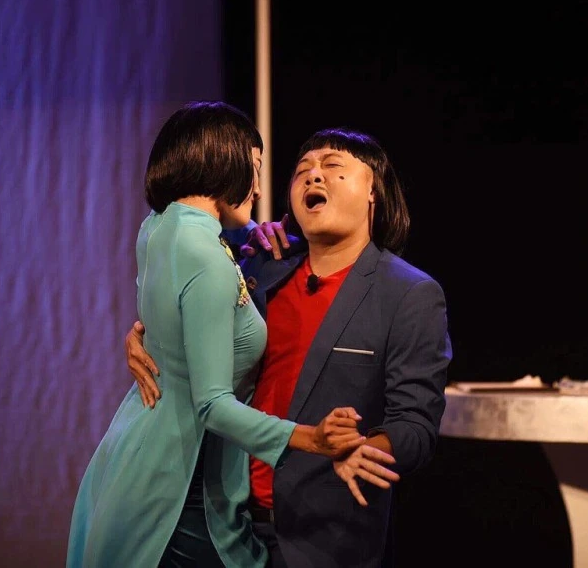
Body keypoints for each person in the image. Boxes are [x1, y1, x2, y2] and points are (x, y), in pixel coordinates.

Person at [66, 103, 399, 568]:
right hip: (179, 481)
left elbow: (181, 297)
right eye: (255, 168)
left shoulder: (157, 227)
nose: (259, 188)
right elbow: (212, 403)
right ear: (223, 159)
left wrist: (150, 337)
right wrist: (311, 439)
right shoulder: (208, 258)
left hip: (137, 453)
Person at [126, 127, 453, 567]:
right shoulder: (260, 270)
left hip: (320, 536)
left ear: (373, 191)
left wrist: (367, 447)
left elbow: (415, 423)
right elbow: (193, 318)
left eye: (333, 166)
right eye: (303, 170)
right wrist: (144, 335)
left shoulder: (408, 293)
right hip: (226, 523)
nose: (314, 175)